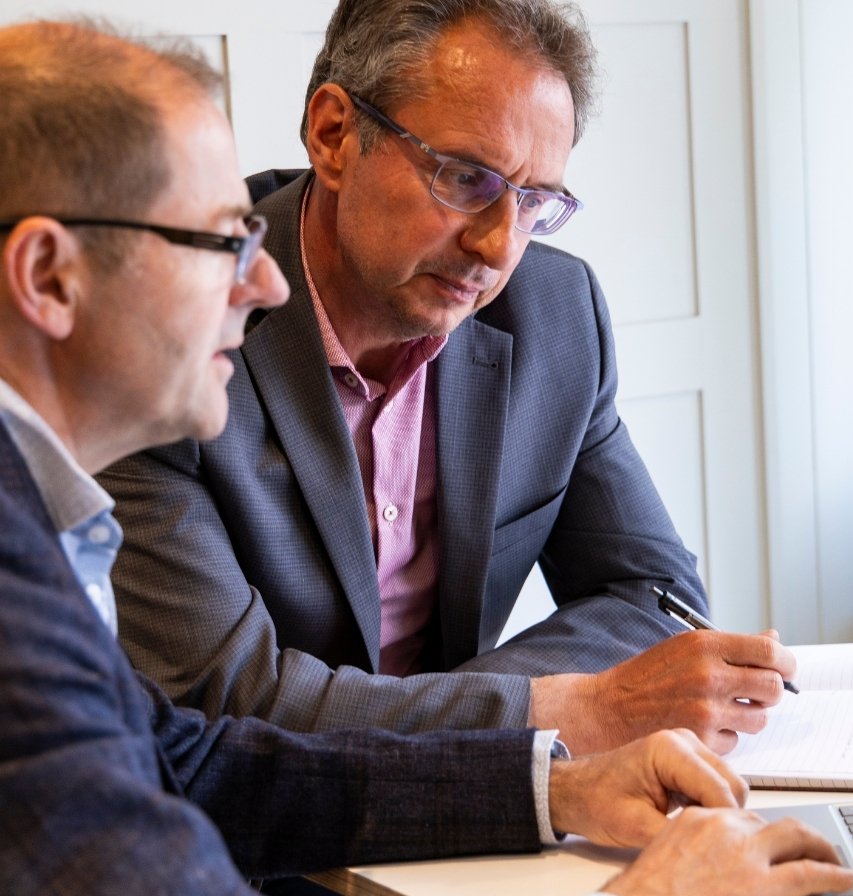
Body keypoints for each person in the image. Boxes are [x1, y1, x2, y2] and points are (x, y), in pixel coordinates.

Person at [0, 17, 853, 896]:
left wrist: (549, 786)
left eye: (532, 201)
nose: (260, 286)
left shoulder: (41, 523)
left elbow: (192, 761)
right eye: (223, 244)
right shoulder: (33, 560)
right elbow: (221, 718)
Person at [100, 0, 797, 757]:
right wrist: (563, 712)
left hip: (485, 817)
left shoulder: (556, 315)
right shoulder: (171, 329)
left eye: (535, 200)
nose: (500, 246)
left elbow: (653, 598)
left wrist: (481, 723)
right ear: (334, 136)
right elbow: (228, 701)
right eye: (467, 178)